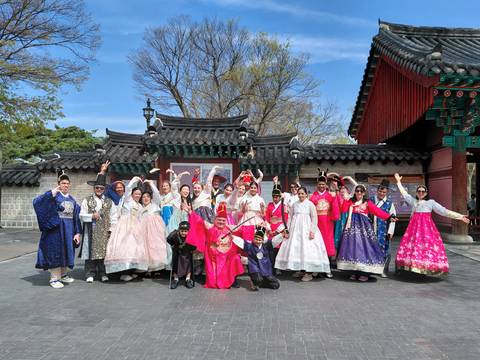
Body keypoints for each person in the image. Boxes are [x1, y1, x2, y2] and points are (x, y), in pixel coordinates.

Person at [394, 173, 469, 276]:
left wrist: (460, 216)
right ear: (416, 192)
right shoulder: (413, 202)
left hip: (426, 230)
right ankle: (413, 267)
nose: (421, 193)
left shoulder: (430, 203)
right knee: (413, 246)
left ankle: (427, 267)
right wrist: (398, 182)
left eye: (422, 191)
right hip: (414, 230)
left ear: (425, 193)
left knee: (426, 247)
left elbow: (444, 211)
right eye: (419, 191)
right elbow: (404, 193)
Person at [336, 184, 396, 282]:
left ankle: (364, 273)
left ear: (364, 193)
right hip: (351, 229)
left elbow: (377, 211)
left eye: (361, 191)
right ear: (354, 192)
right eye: (357, 191)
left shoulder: (367, 203)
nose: (359, 193)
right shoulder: (350, 202)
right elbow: (342, 208)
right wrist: (340, 195)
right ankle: (354, 272)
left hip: (364, 229)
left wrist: (389, 217)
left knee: (364, 248)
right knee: (352, 249)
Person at [33, 171, 81, 289]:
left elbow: (76, 217)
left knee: (66, 251)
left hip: (69, 230)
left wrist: (77, 232)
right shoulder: (53, 196)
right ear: (58, 184)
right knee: (56, 252)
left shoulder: (72, 200)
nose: (65, 185)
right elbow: (37, 202)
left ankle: (63, 274)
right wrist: (51, 193)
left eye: (67, 183)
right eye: (63, 183)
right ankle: (54, 278)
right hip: (55, 230)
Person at [275, 187, 332, 282]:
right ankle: (301, 269)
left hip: (307, 229)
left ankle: (308, 272)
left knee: (307, 249)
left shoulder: (310, 205)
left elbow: (314, 218)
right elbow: (290, 217)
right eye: (299, 193)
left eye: (302, 193)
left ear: (306, 194)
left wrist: (312, 231)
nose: (301, 195)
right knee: (298, 248)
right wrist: (287, 229)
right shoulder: (294, 205)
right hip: (295, 229)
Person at [185, 202, 244, 289]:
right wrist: (191, 212)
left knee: (235, 258)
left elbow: (240, 228)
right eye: (219, 220)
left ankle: (232, 280)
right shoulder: (210, 226)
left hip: (226, 255)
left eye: (223, 220)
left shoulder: (229, 228)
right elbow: (199, 221)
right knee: (213, 275)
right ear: (215, 219)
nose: (221, 222)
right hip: (212, 255)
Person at [104, 176, 146, 281]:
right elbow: (127, 190)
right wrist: (133, 181)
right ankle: (122, 273)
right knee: (123, 249)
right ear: (132, 194)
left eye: (139, 194)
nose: (137, 195)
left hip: (135, 228)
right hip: (124, 227)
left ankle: (130, 271)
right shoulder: (127, 201)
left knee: (132, 250)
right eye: (135, 194)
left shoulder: (140, 206)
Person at [79, 174, 117, 283]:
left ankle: (102, 273)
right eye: (97, 188)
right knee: (90, 251)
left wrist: (111, 229)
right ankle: (90, 273)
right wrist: (91, 216)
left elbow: (114, 216)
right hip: (91, 230)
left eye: (101, 188)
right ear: (94, 188)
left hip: (105, 230)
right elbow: (81, 215)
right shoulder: (87, 200)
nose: (99, 190)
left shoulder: (109, 202)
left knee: (104, 252)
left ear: (104, 189)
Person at [232, 226, 283, 291]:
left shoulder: (266, 246)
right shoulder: (249, 246)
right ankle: (255, 281)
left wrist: (282, 235)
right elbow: (240, 241)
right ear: (253, 238)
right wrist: (232, 237)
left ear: (262, 240)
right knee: (258, 279)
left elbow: (274, 240)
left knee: (276, 285)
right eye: (256, 239)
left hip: (265, 269)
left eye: (260, 240)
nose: (258, 241)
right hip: (255, 268)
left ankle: (262, 283)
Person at [135, 180, 168, 272]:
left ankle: (156, 269)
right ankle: (147, 268)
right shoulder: (140, 208)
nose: (146, 198)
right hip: (143, 231)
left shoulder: (155, 204)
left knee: (155, 247)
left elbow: (157, 194)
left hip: (155, 231)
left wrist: (151, 184)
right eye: (143, 197)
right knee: (145, 249)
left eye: (148, 196)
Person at [310, 169, 340, 260]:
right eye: (320, 184)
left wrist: (335, 217)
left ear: (326, 184)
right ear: (317, 184)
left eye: (323, 184)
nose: (321, 186)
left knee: (327, 241)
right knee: (316, 242)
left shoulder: (330, 195)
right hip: (317, 222)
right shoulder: (312, 196)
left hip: (327, 221)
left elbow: (335, 206)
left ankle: (328, 266)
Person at [370, 179, 396, 278]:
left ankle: (383, 270)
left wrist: (390, 231)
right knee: (372, 249)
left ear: (387, 192)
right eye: (380, 191)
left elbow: (393, 218)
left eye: (384, 192)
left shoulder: (389, 204)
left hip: (384, 230)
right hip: (372, 228)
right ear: (377, 191)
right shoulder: (371, 200)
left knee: (386, 251)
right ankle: (372, 268)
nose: (381, 193)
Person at [167, 221, 196, 289]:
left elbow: (195, 243)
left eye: (185, 231)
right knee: (176, 265)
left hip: (187, 253)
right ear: (179, 230)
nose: (183, 233)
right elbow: (168, 239)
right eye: (182, 231)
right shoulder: (175, 235)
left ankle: (188, 279)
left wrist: (192, 249)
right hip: (178, 253)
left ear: (188, 231)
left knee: (188, 266)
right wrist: (173, 245)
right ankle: (175, 279)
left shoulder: (191, 235)